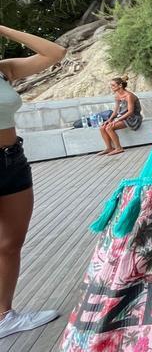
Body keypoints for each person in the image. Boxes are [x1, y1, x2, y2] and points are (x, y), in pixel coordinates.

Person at [0, 24, 66, 338]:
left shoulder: (4, 70)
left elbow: (55, 53)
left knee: (10, 244)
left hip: (12, 159)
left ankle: (3, 316)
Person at [97, 76, 143, 156]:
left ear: (120, 86)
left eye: (113, 85)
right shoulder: (117, 96)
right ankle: (109, 148)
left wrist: (117, 120)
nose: (111, 87)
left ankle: (118, 148)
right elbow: (115, 111)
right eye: (111, 85)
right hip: (123, 117)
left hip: (133, 118)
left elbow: (130, 112)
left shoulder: (129, 96)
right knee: (102, 127)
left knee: (109, 127)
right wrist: (110, 120)